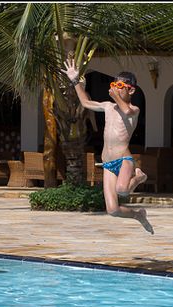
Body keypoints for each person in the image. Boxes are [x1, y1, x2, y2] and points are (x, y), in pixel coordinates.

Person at [62, 58, 154, 234]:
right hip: (108, 164)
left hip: (124, 160)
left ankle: (140, 177)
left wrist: (116, 97)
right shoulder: (108, 106)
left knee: (123, 191)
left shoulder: (134, 110)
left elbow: (126, 111)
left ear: (131, 90)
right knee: (113, 210)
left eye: (121, 86)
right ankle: (138, 215)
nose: (116, 89)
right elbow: (86, 103)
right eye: (115, 85)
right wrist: (75, 81)